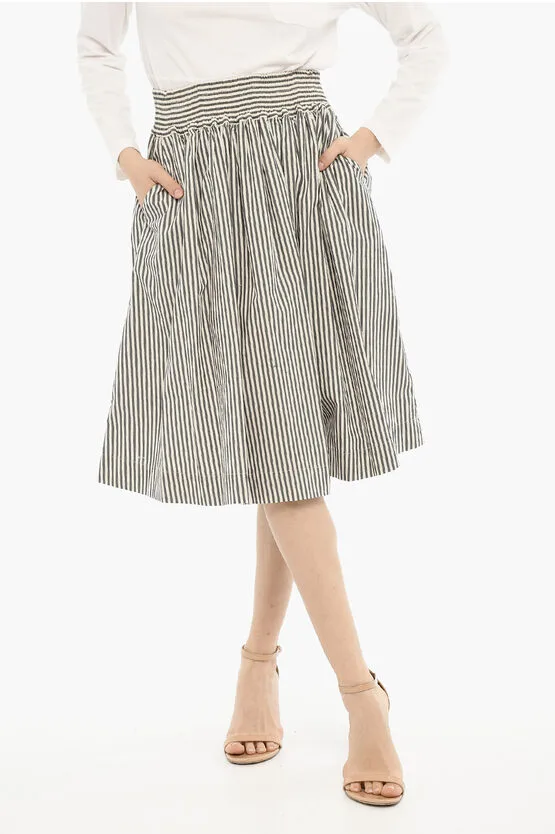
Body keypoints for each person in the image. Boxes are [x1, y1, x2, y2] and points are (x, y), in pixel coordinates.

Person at [77, 2, 449, 807]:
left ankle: (344, 692)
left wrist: (372, 139)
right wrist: (126, 154)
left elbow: (423, 34)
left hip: (301, 177)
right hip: (191, 187)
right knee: (275, 445)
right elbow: (96, 43)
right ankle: (284, 671)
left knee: (284, 446)